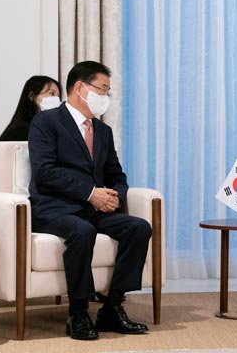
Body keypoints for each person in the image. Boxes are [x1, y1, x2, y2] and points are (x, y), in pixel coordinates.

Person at [28, 61, 151, 340]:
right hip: (53, 208)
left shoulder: (102, 131)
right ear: (80, 88)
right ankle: (78, 312)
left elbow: (116, 174)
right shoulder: (46, 122)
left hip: (92, 209)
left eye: (108, 91)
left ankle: (112, 307)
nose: (106, 96)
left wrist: (114, 196)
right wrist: (90, 193)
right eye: (102, 89)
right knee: (82, 231)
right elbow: (45, 172)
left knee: (138, 228)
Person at [0, 76, 62, 141]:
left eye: (58, 96)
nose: (56, 99)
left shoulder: (49, 127)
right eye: (52, 93)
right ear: (32, 96)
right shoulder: (20, 129)